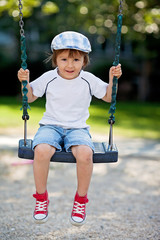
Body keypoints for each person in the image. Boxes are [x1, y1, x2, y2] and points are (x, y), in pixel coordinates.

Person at [18, 31, 122, 226]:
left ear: (84, 61)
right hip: (50, 126)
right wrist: (25, 81)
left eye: (76, 59)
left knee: (85, 154)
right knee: (40, 150)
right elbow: (30, 97)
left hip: (78, 129)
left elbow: (108, 97)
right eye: (64, 59)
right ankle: (41, 198)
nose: (70, 64)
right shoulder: (49, 77)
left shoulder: (88, 79)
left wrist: (112, 78)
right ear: (55, 59)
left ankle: (80, 201)